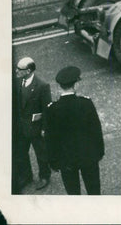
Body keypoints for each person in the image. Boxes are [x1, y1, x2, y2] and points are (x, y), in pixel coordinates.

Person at [43, 66, 104, 194]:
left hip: (66, 161)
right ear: (75, 84)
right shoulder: (86, 104)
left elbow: (50, 138)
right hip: (88, 156)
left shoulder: (52, 109)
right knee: (94, 191)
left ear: (60, 86)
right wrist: (99, 152)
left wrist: (53, 161)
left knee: (73, 193)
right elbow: (96, 131)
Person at [12, 57, 51, 192]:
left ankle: (44, 176)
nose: (16, 71)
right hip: (20, 126)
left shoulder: (42, 86)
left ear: (28, 71)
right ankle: (26, 176)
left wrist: (45, 128)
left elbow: (47, 110)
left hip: (35, 127)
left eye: (19, 69)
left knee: (41, 153)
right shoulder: (17, 81)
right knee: (21, 153)